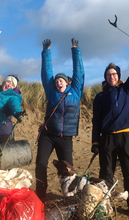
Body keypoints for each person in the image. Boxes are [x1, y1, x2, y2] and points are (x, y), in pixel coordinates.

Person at [91, 37, 129, 218]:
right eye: (108, 74)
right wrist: (95, 141)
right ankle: (105, 205)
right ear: (105, 77)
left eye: (114, 74)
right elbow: (96, 120)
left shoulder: (126, 89)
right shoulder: (100, 96)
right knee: (106, 175)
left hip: (126, 137)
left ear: (118, 76)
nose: (112, 76)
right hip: (106, 139)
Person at [35, 38, 85, 201]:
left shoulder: (75, 91)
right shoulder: (52, 92)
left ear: (66, 82)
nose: (58, 82)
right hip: (48, 135)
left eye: (60, 80)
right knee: (41, 164)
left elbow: (79, 72)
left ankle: (70, 198)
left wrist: (75, 49)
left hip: (66, 138)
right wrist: (46, 52)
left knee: (69, 171)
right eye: (56, 81)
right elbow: (46, 73)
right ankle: (40, 196)